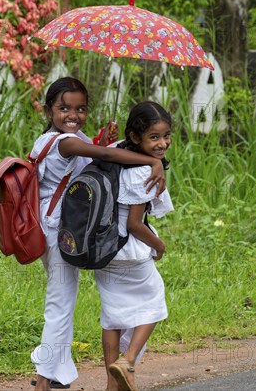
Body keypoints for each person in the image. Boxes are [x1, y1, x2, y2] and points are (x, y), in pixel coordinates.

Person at [30, 78, 167, 391]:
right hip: (56, 234)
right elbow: (108, 157)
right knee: (59, 309)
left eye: (80, 108)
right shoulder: (63, 141)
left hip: (64, 231)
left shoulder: (72, 137)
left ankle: (53, 377)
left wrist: (103, 139)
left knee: (63, 306)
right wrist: (151, 160)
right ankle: (43, 382)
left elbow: (93, 155)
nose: (73, 115)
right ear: (49, 109)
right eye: (64, 108)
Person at [94, 101, 174, 391]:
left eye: (166, 135)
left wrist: (108, 136)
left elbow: (103, 149)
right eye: (154, 137)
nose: (162, 143)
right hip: (130, 251)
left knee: (112, 317)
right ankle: (127, 362)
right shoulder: (143, 172)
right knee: (154, 302)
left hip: (104, 249)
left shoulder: (116, 151)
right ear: (136, 137)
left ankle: (111, 385)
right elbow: (135, 224)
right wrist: (160, 245)